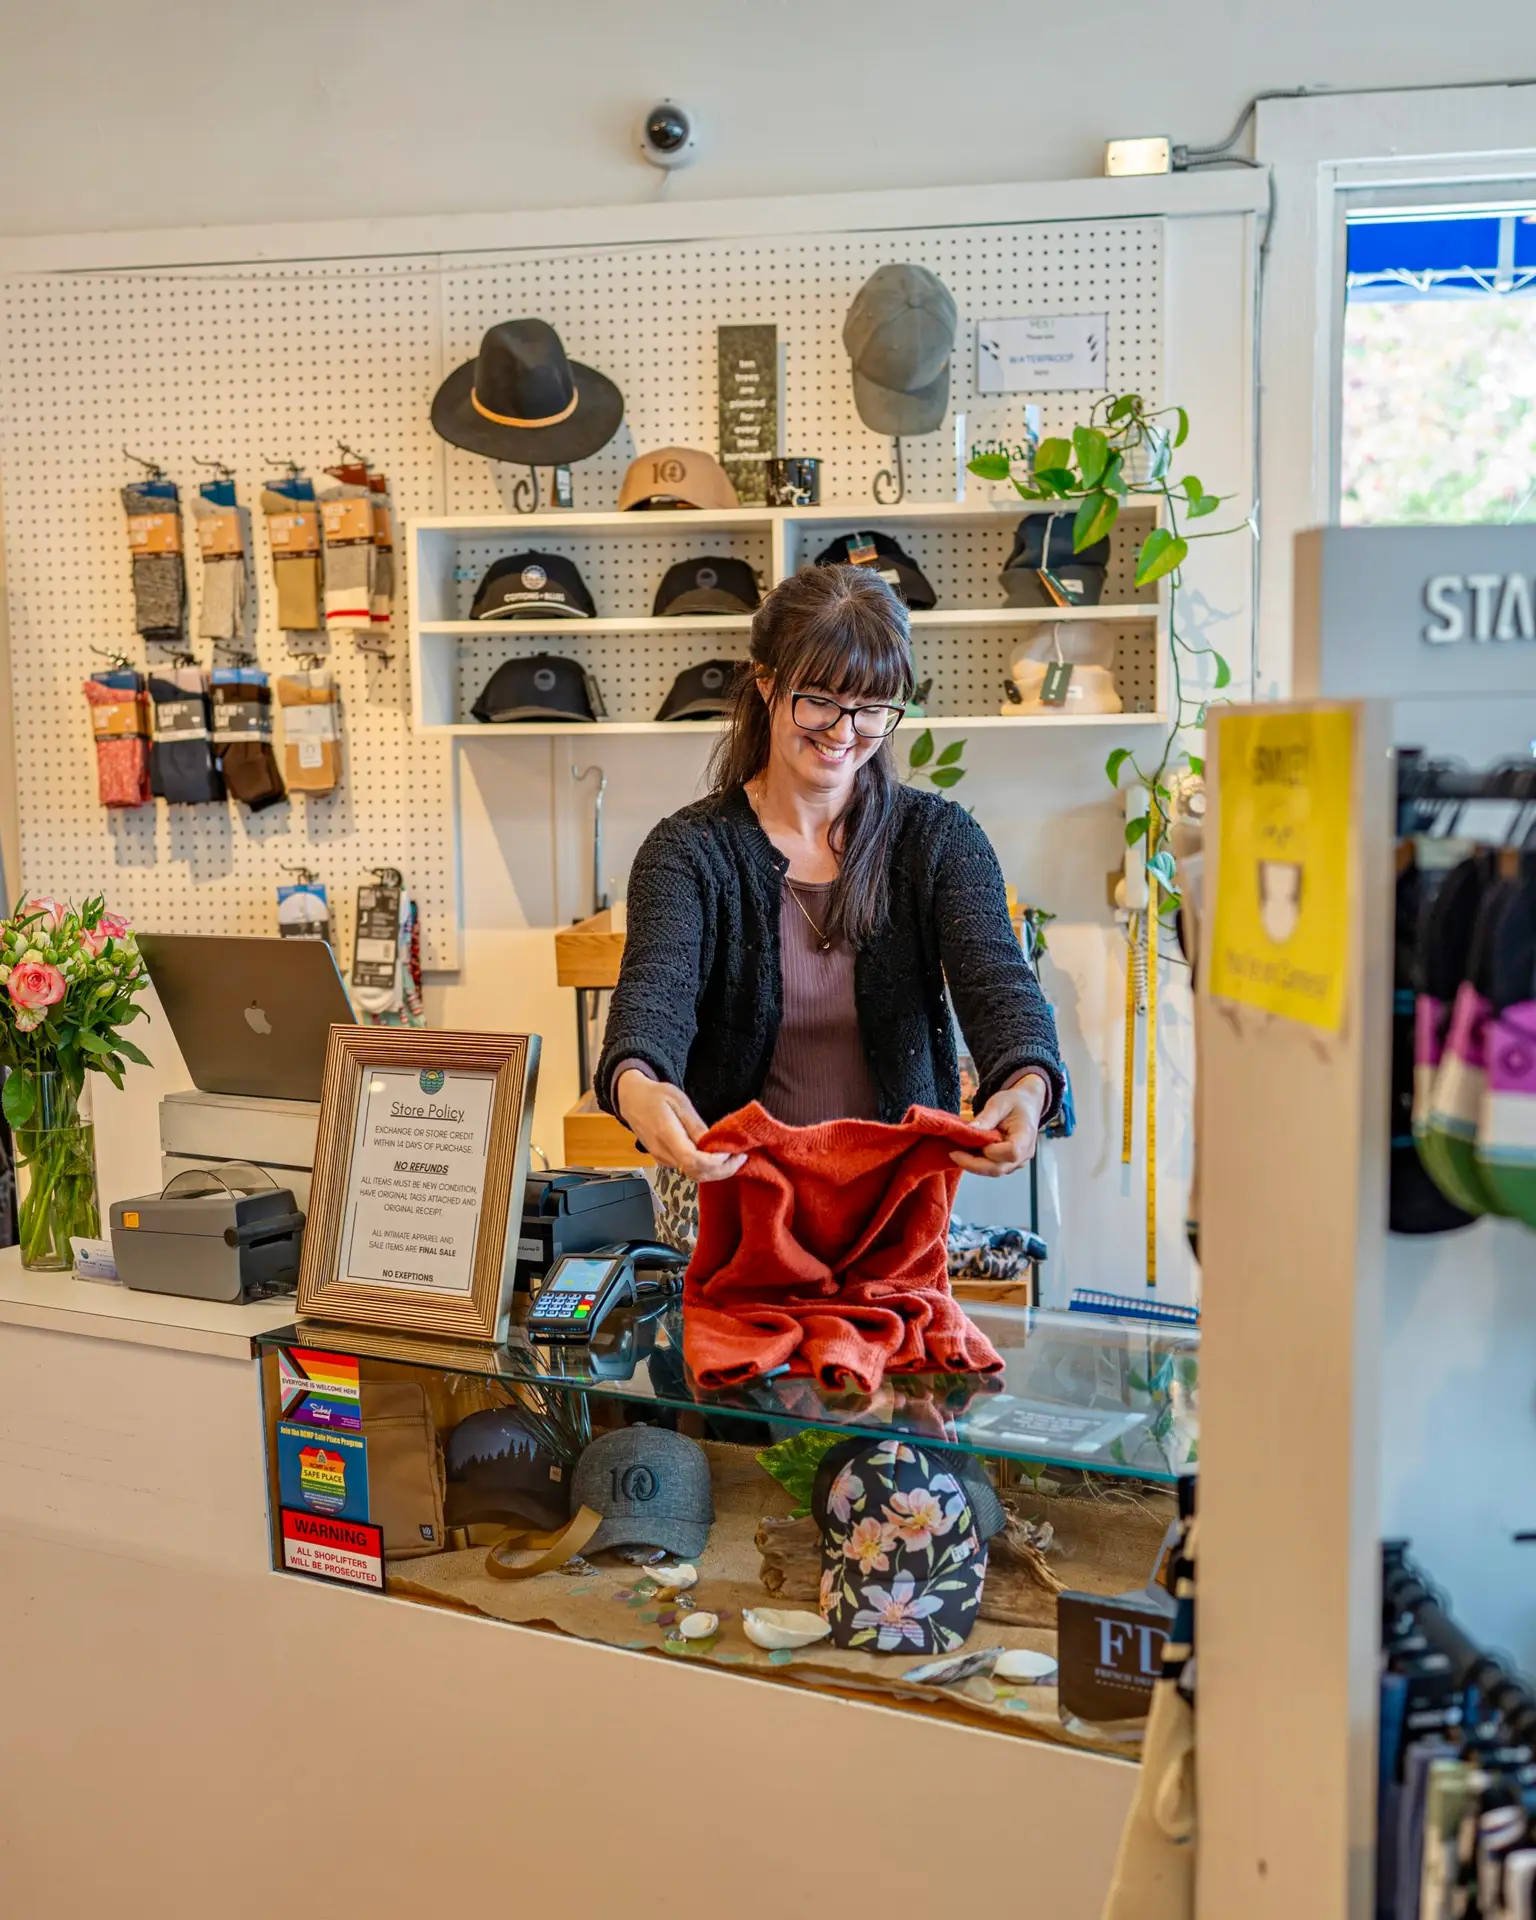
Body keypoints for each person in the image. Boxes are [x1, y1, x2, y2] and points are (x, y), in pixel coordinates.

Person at [596, 563, 1065, 1209]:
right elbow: (653, 1003)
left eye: (871, 708)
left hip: (894, 1204)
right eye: (818, 700)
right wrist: (636, 1085)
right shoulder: (688, 852)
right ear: (766, 682)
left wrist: (1027, 1084)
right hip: (732, 1202)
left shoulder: (938, 841)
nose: (844, 733)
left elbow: (1000, 987)